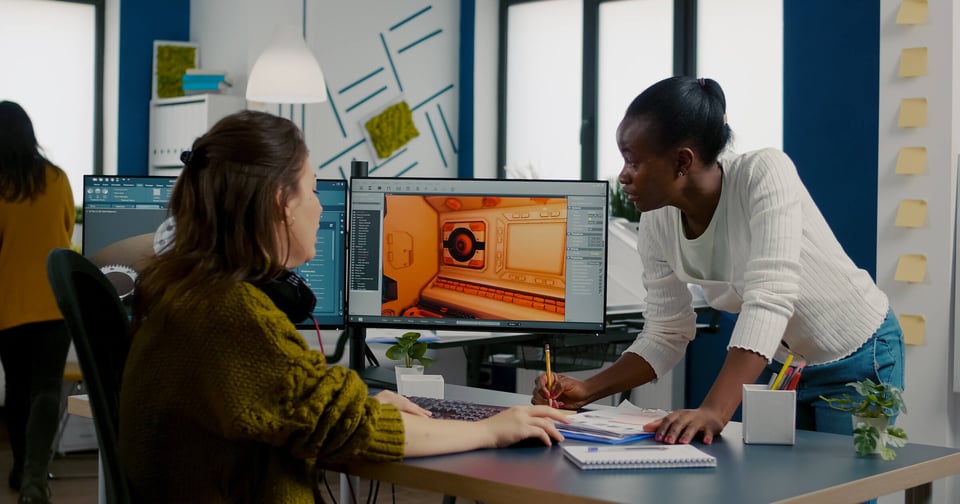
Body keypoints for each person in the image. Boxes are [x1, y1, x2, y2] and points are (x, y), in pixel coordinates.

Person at [119, 110, 569, 503]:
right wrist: (490, 429)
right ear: (282, 204)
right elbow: (347, 430)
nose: (320, 207)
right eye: (312, 190)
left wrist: (371, 404)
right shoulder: (228, 312)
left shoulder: (183, 290)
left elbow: (308, 408)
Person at [533, 76, 904, 445]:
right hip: (786, 368)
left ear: (682, 161)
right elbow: (666, 331)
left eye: (633, 162)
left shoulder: (763, 173)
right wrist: (588, 388)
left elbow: (770, 298)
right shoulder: (657, 220)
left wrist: (713, 411)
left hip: (858, 354)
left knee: (843, 496)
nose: (624, 176)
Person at [0, 101, 75, 504]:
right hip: (54, 303)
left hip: (8, 305)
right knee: (47, 390)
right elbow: (64, 230)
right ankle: (34, 478)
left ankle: (18, 468)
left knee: (18, 388)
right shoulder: (58, 178)